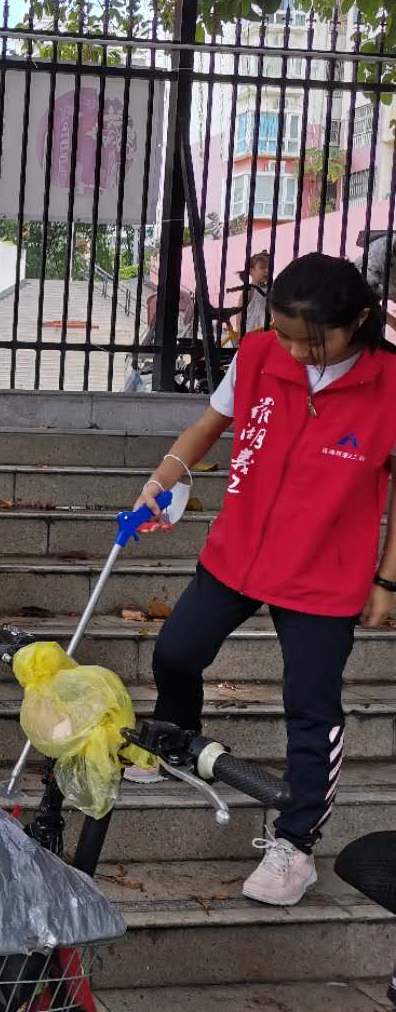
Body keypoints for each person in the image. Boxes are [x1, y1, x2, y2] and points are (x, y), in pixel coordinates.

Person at [127, 253, 396, 908]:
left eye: (313, 341)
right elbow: (207, 425)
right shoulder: (255, 355)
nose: (296, 353)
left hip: (325, 572)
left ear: (359, 321)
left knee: (311, 706)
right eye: (284, 335)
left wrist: (387, 582)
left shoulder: (390, 384)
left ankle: (296, 844)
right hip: (239, 552)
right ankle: (174, 741)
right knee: (175, 653)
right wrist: (161, 479)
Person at [220, 251, 272, 345]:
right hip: (250, 333)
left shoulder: (268, 290)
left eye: (269, 267)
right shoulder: (249, 291)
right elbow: (240, 314)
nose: (267, 271)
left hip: (265, 332)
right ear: (251, 271)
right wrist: (241, 333)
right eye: (262, 268)